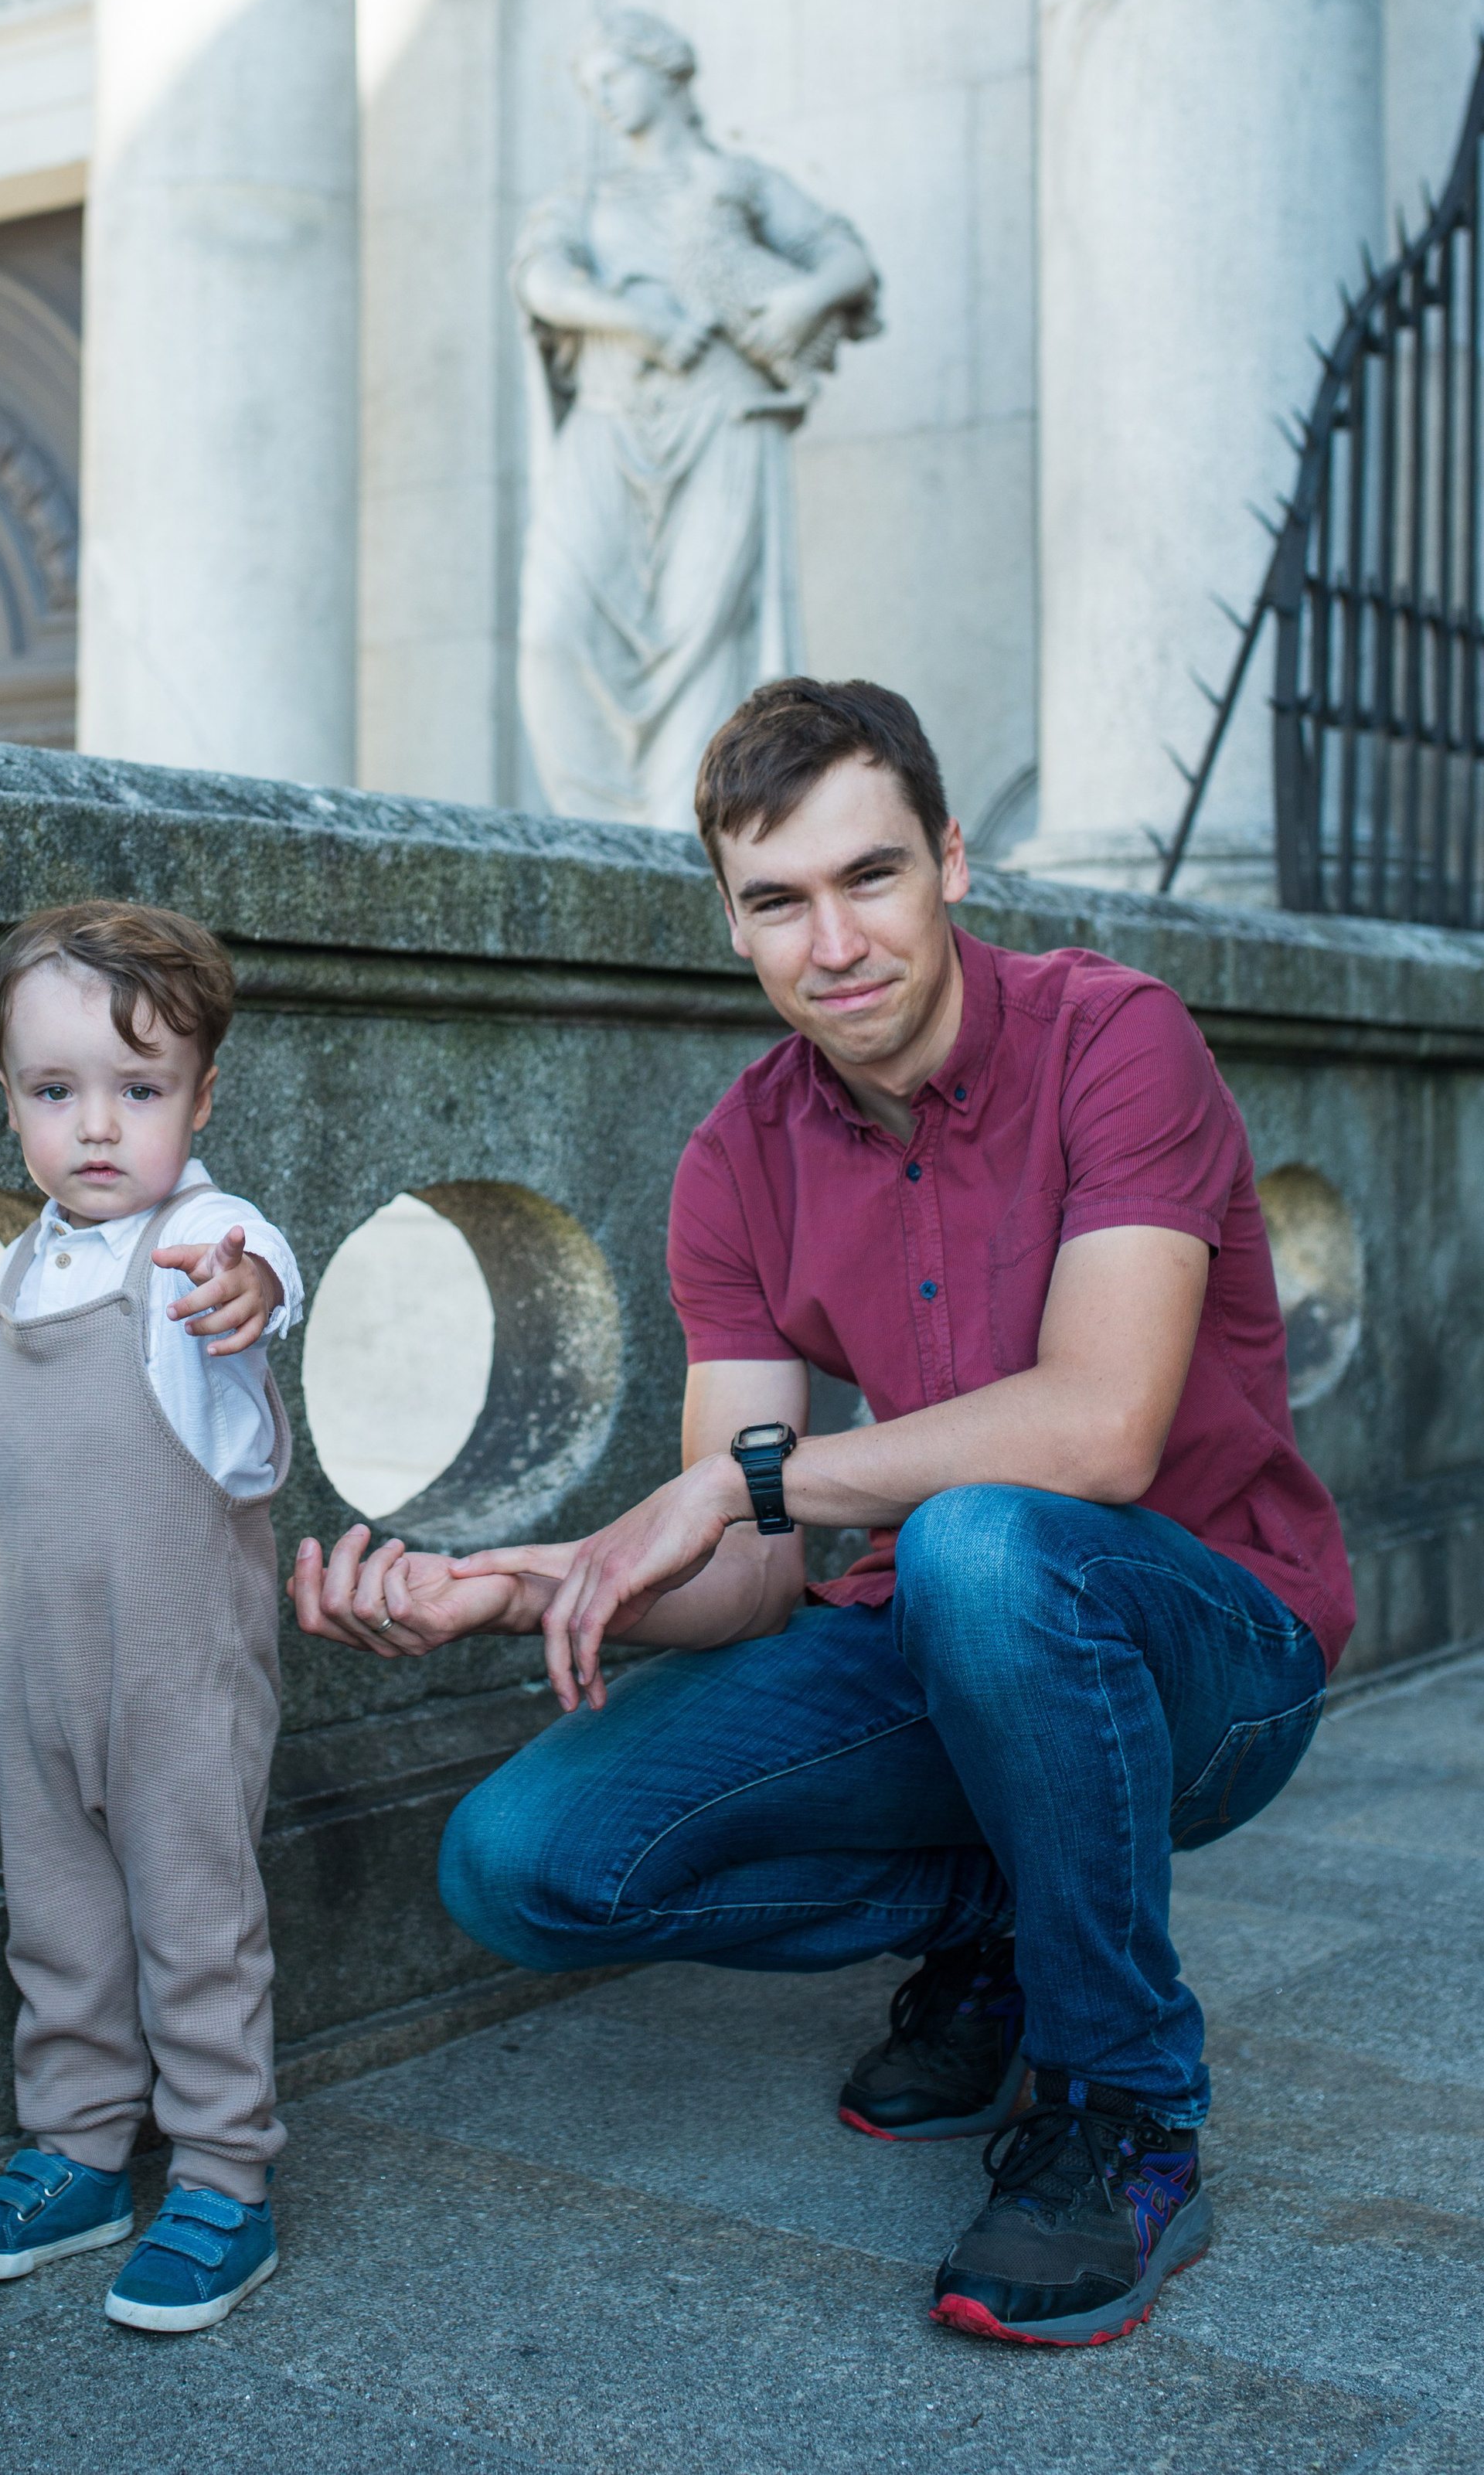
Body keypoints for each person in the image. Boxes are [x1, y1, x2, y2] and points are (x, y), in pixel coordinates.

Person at [291, 677, 1353, 2351]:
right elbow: (748, 1584)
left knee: (980, 1538)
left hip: (1210, 1651)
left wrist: (736, 1480)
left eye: (867, 876)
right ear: (730, 925)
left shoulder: (1111, 1036)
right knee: (523, 1862)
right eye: (776, 901)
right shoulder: (738, 1160)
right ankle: (1004, 1911)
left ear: (948, 859)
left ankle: (1125, 2111)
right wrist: (524, 1589)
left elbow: (1095, 1428)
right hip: (937, 1644)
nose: (833, 939)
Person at [0, 900, 303, 2335]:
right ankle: (77, 2147)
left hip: (179, 1672)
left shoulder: (202, 1238)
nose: (99, 1129)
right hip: (46, 1672)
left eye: (141, 1091)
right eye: (56, 1093)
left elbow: (266, 1273)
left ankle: (221, 2180)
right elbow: (28, 1424)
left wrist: (251, 1294)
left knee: (195, 1914)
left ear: (201, 1096)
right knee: (60, 1912)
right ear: (10, 1100)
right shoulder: (34, 1258)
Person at [512, 9, 879, 829]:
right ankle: (600, 833)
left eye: (614, 75)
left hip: (718, 422)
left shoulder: (735, 181)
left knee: (702, 636)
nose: (602, 98)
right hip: (608, 424)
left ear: (665, 69)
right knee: (552, 630)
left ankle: (688, 837)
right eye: (589, 86)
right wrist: (640, 322)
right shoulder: (584, 197)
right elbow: (541, 280)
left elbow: (846, 261)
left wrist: (798, 303)